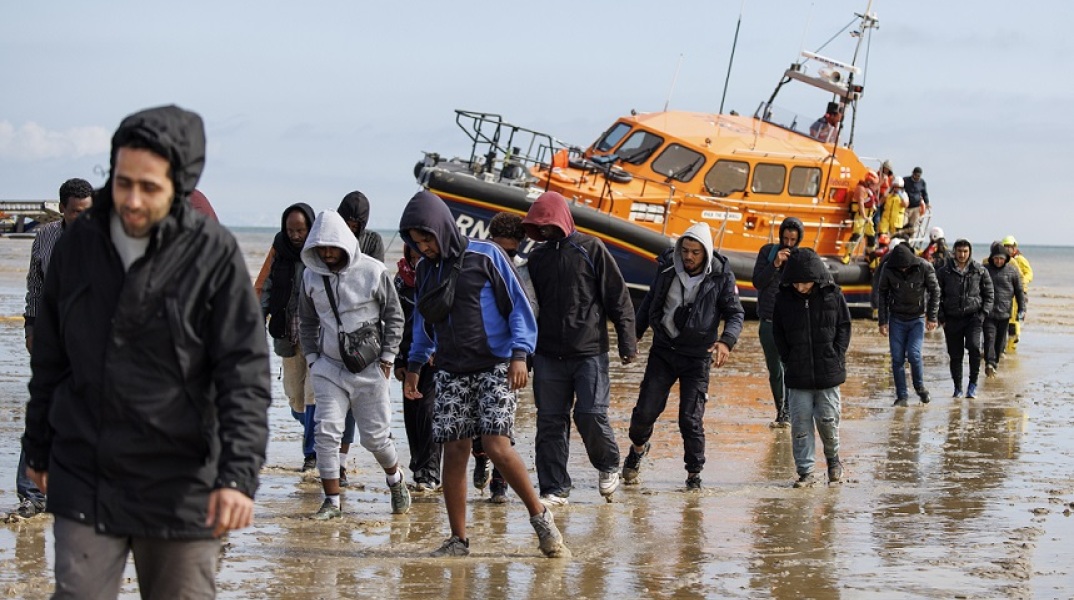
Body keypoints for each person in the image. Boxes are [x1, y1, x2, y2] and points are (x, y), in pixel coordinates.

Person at [22, 105, 271, 598]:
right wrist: (38, 445)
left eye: (150, 187)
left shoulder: (212, 255)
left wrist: (238, 475)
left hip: (182, 478)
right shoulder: (76, 248)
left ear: (179, 185)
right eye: (122, 182)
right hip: (86, 469)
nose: (133, 200)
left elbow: (243, 374)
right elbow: (49, 358)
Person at [400, 191, 569, 558]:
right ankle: (458, 540)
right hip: (450, 370)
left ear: (442, 228)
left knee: (496, 447)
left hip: (496, 364)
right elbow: (422, 323)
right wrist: (414, 365)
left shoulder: (487, 255)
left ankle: (541, 520)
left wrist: (520, 355)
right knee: (455, 451)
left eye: (426, 238)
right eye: (415, 241)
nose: (423, 247)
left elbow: (519, 308)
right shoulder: (427, 270)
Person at [522, 191, 637, 505]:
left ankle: (608, 463)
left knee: (589, 413)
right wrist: (523, 354)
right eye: (538, 226)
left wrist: (628, 342)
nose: (544, 231)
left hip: (589, 351)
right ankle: (554, 488)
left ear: (561, 219)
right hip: (547, 354)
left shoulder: (591, 248)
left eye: (548, 224)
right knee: (549, 421)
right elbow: (527, 309)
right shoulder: (536, 258)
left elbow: (618, 297)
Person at [298, 210, 409, 519]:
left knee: (374, 438)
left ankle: (395, 479)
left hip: (371, 368)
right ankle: (332, 502)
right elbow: (306, 320)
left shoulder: (373, 271)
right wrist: (312, 359)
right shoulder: (310, 275)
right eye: (321, 248)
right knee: (326, 432)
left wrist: (389, 356)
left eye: (333, 247)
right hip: (328, 368)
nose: (328, 253)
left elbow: (394, 316)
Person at [623, 223, 744, 490]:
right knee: (645, 412)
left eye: (695, 253)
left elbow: (735, 313)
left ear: (706, 254)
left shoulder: (722, 275)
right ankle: (637, 450)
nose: (688, 257)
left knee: (689, 419)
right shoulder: (666, 268)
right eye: (685, 251)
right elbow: (650, 302)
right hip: (664, 351)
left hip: (697, 357)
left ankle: (694, 475)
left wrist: (726, 341)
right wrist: (632, 337)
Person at [15, 178, 93, 519]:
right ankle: (31, 494)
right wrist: (30, 327)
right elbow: (35, 285)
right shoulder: (45, 237)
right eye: (76, 212)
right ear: (62, 209)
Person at [772, 248, 851, 488]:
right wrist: (788, 358)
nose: (799, 287)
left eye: (803, 282)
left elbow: (844, 327)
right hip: (797, 374)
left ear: (815, 277)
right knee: (800, 425)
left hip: (828, 373)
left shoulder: (833, 295)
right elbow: (779, 333)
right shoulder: (783, 299)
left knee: (828, 420)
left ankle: (833, 461)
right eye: (795, 282)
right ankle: (805, 472)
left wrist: (836, 354)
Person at [472, 211, 531, 503]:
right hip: (477, 355)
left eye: (510, 251)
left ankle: (499, 481)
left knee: (503, 423)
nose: (504, 257)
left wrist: (522, 354)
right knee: (475, 423)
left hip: (511, 357)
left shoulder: (524, 270)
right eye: (499, 248)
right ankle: (480, 456)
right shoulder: (479, 263)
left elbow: (529, 311)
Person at [261, 203, 322, 472]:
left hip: (317, 340)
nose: (296, 235)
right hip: (287, 337)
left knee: (313, 397)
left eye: (301, 229)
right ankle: (318, 432)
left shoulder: (321, 254)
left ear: (310, 227)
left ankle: (312, 455)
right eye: (291, 230)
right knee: (297, 402)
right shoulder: (278, 251)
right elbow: (266, 286)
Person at [393, 243, 442, 492]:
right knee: (412, 414)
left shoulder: (437, 277)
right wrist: (399, 360)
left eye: (420, 256)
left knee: (428, 411)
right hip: (409, 357)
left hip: (435, 357)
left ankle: (431, 471)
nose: (416, 261)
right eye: (412, 257)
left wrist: (437, 348)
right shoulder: (400, 282)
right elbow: (394, 321)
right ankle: (418, 467)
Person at [751, 216, 804, 427]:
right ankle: (780, 410)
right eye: (785, 238)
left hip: (791, 322)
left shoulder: (801, 257)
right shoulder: (767, 252)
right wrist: (775, 264)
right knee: (775, 369)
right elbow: (757, 282)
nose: (789, 243)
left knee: (790, 367)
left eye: (793, 239)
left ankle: (790, 412)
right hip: (768, 320)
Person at [878, 243, 940, 406]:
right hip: (896, 318)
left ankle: (920, 387)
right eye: (900, 268)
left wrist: (932, 316)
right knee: (897, 358)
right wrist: (882, 321)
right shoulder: (888, 268)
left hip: (917, 318)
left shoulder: (924, 267)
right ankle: (902, 396)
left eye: (906, 267)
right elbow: (882, 293)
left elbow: (935, 291)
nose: (903, 270)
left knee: (914, 354)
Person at [936, 239, 994, 399]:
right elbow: (936, 295)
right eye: (959, 251)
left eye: (965, 251)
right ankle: (957, 388)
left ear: (970, 252)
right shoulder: (944, 272)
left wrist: (983, 314)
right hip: (951, 318)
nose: (962, 255)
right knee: (955, 355)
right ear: (954, 252)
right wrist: (940, 316)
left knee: (975, 349)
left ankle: (973, 385)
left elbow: (989, 295)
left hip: (973, 317)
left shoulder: (979, 270)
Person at [982, 242, 1024, 378]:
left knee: (1000, 343)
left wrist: (1022, 309)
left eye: (1001, 258)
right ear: (992, 258)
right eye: (996, 258)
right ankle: (989, 363)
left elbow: (1019, 291)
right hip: (988, 312)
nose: (998, 261)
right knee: (989, 338)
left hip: (1005, 313)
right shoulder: (985, 270)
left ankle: (994, 364)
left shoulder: (1012, 271)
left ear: (1006, 258)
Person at [1001, 235, 1032, 353]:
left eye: (1010, 247)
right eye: (1006, 246)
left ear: (1014, 247)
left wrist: (1022, 281)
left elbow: (1029, 273)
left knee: (1015, 322)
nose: (1008, 249)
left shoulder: (1020, 259)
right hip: (1007, 293)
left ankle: (1011, 348)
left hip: (1018, 293)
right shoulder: (1003, 260)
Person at [841, 170, 879, 264]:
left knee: (871, 237)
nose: (874, 185)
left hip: (869, 216)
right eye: (873, 183)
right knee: (856, 235)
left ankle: (870, 257)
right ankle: (847, 255)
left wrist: (872, 208)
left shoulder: (869, 190)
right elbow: (861, 203)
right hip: (860, 215)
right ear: (869, 181)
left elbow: (870, 201)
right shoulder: (860, 188)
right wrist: (864, 216)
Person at [338, 190, 385, 262]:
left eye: (354, 227)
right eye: (346, 225)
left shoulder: (373, 241)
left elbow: (378, 269)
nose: (349, 230)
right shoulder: (328, 239)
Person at [902, 167, 930, 236]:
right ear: (913, 174)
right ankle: (901, 239)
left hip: (916, 208)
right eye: (916, 175)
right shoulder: (906, 180)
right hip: (906, 208)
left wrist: (927, 203)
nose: (917, 177)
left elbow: (924, 193)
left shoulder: (922, 182)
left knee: (913, 227)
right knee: (903, 224)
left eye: (919, 176)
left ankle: (910, 242)